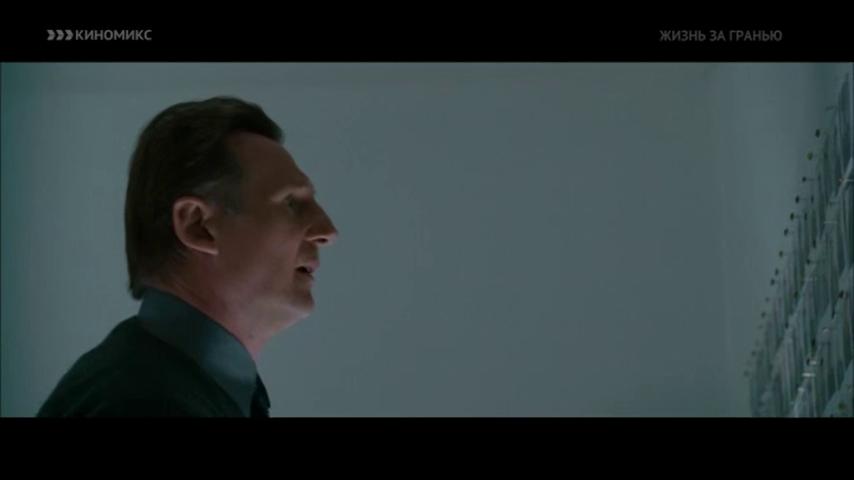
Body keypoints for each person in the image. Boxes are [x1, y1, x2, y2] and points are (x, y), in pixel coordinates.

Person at [37, 96, 338, 417]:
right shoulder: (149, 406)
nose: (328, 231)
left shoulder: (148, 383)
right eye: (291, 203)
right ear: (198, 226)